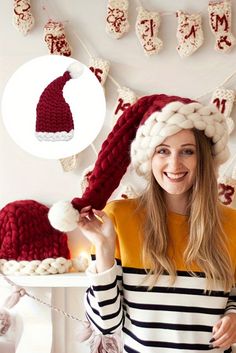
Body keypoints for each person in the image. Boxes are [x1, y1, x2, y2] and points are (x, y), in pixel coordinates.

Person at [49, 94, 236, 353]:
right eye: (163, 150)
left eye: (187, 151)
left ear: (202, 158)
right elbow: (105, 325)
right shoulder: (117, 219)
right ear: (150, 158)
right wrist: (103, 249)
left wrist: (234, 317)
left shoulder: (231, 224)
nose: (174, 164)